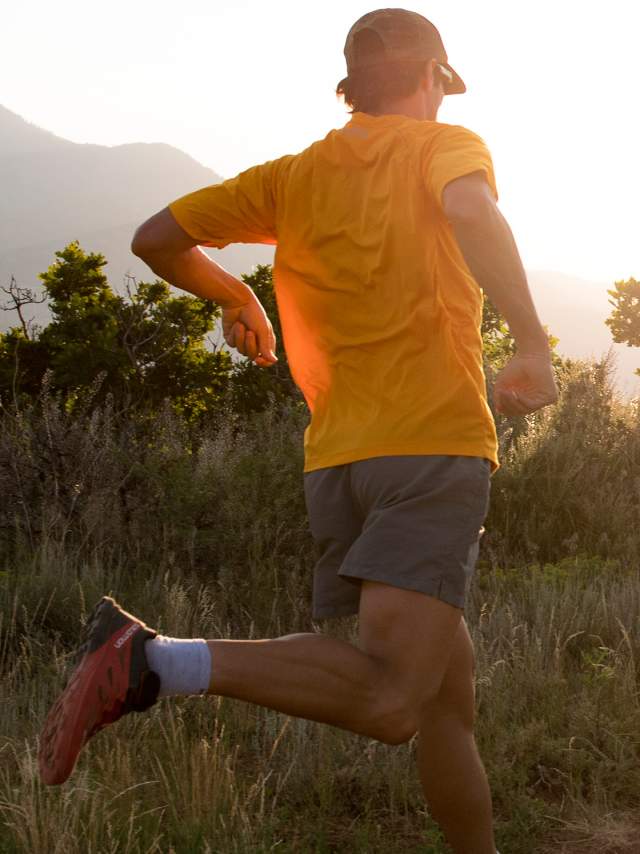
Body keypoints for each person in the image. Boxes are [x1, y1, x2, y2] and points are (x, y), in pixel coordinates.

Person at [38, 9, 558, 853]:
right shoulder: (444, 146)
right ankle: (153, 660)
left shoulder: (292, 177)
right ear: (433, 77)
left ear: (353, 86)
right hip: (431, 448)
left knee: (442, 706)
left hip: (339, 464)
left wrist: (237, 298)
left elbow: (156, 238)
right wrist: (533, 343)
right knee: (392, 700)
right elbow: (471, 209)